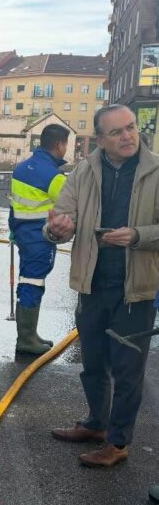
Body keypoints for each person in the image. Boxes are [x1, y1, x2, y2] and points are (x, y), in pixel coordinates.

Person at [44, 104, 159, 468]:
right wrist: (56, 230)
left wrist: (138, 236)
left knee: (128, 370)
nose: (127, 136)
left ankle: (118, 441)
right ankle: (96, 423)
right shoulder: (83, 171)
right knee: (92, 362)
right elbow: (62, 218)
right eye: (116, 132)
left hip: (134, 288)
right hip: (91, 284)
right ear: (100, 139)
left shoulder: (156, 171)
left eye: (130, 128)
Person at [9, 124, 70, 354]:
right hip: (40, 237)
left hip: (24, 236)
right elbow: (71, 206)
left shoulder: (21, 169)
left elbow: (13, 205)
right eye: (66, 144)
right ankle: (26, 340)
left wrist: (13, 230)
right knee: (33, 283)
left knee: (28, 281)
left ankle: (29, 334)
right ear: (59, 145)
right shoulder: (53, 176)